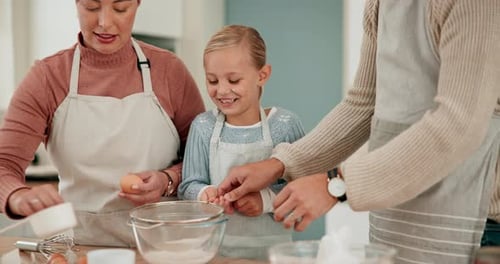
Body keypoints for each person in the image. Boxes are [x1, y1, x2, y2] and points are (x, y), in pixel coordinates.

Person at [218, 1, 500, 263]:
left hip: (480, 223)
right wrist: (280, 164)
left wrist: (335, 185)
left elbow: (459, 124)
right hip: (398, 212)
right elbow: (364, 104)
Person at [0, 0, 205, 247]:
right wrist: (17, 197)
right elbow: (4, 164)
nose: (105, 22)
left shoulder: (169, 70)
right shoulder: (47, 77)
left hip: (165, 245)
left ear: (138, 4)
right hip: (79, 245)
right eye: (91, 6)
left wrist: (167, 179)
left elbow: (203, 161)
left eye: (120, 8)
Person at [177, 25, 306, 260]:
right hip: (214, 253)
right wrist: (207, 193)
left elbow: (304, 188)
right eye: (212, 81)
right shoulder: (203, 127)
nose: (222, 90)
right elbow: (187, 186)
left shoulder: (286, 125)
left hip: (271, 255)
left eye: (234, 80)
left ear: (262, 75)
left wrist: (264, 200)